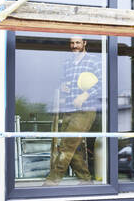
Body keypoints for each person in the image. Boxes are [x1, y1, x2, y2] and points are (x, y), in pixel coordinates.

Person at [44, 36, 102, 186]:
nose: (74, 46)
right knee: (71, 147)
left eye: (77, 42)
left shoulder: (94, 61)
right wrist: (64, 86)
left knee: (66, 146)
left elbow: (102, 82)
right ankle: (86, 181)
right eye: (72, 43)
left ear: (85, 43)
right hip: (69, 109)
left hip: (86, 109)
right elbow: (65, 81)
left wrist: (84, 95)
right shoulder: (68, 63)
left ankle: (52, 182)